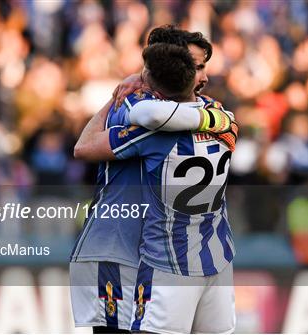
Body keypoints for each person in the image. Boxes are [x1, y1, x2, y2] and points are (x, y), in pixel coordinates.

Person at [70, 28, 234, 333]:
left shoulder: (169, 111)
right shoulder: (136, 108)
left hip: (158, 254)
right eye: (196, 67)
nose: (202, 77)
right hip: (117, 250)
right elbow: (83, 148)